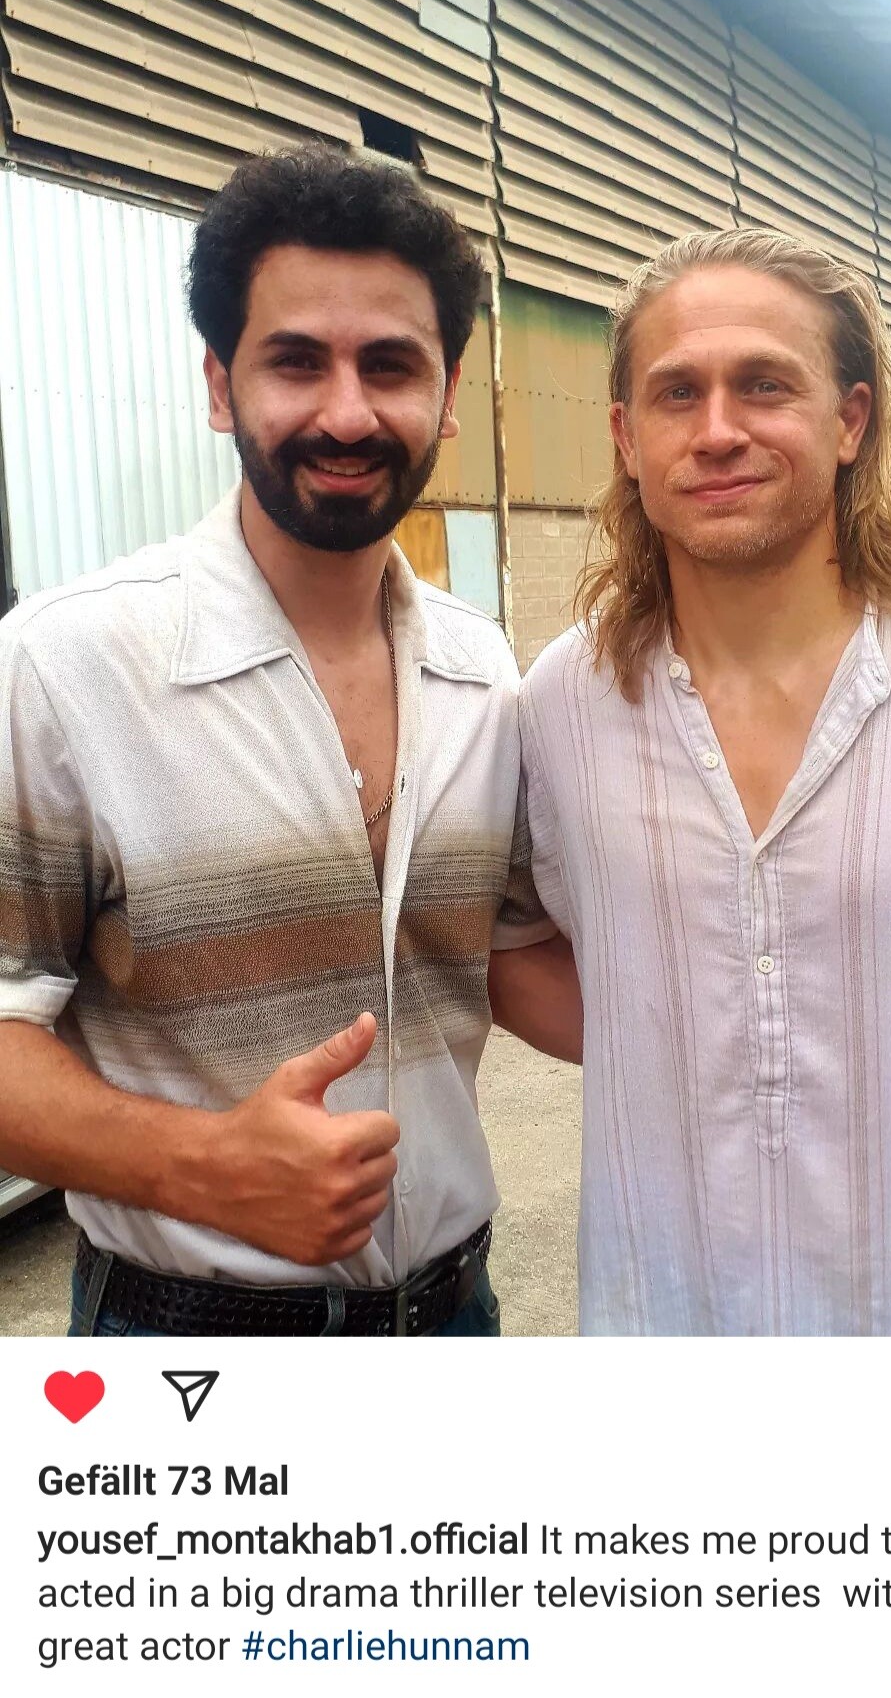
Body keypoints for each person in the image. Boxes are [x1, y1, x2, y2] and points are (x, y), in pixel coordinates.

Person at [0, 144, 571, 1338]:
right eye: (297, 361)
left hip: (454, 1317)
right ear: (220, 384)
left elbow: (505, 955)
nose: (348, 412)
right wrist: (203, 1164)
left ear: (448, 393)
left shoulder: (482, 672)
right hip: (184, 1338)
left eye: (391, 364)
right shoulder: (66, 667)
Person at [515, 228, 891, 1336]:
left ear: (851, 420)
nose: (718, 429)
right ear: (627, 437)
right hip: (672, 1336)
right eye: (678, 392)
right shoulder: (563, 704)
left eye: (765, 385)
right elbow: (524, 947)